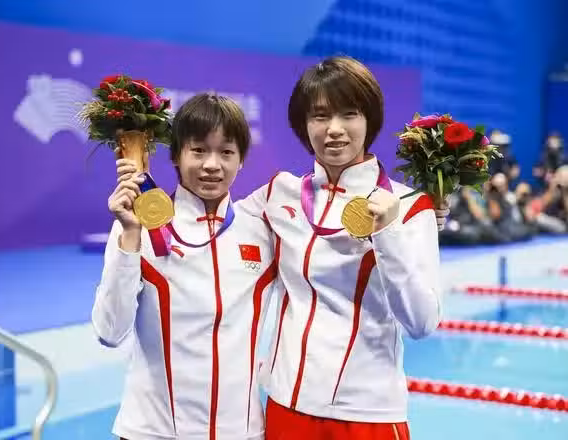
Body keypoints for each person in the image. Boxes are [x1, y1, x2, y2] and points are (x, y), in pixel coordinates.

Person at [237, 56, 445, 440]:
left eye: (349, 114)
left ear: (369, 120)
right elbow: (211, 227)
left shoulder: (410, 207)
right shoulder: (278, 194)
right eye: (320, 116)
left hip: (366, 414)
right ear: (303, 124)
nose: (334, 129)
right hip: (286, 406)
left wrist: (388, 235)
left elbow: (421, 323)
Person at [91, 93, 281, 440]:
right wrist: (130, 234)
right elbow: (110, 331)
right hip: (154, 432)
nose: (212, 165)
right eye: (198, 150)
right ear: (176, 155)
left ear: (241, 160)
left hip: (241, 432)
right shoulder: (139, 225)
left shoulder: (262, 231)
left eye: (226, 152)